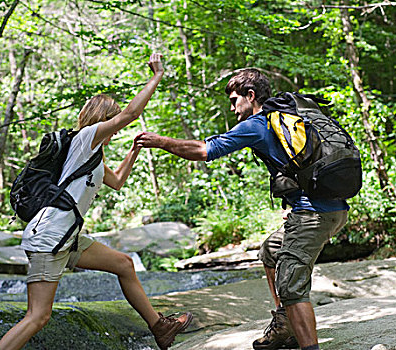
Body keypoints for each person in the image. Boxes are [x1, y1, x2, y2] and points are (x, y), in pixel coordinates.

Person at [135, 68, 349, 350]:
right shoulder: (288, 117)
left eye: (235, 100)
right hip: (334, 209)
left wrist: (160, 142)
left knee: (292, 287)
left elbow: (204, 151)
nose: (234, 108)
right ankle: (285, 326)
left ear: (251, 96)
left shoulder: (257, 125)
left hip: (313, 214)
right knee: (271, 250)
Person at [0, 53, 192, 350]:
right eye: (112, 118)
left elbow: (117, 182)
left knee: (124, 265)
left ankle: (160, 328)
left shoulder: (92, 155)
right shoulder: (86, 137)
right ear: (103, 118)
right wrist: (156, 77)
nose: (118, 124)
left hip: (67, 237)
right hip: (50, 237)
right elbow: (130, 115)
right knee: (38, 316)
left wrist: (134, 150)